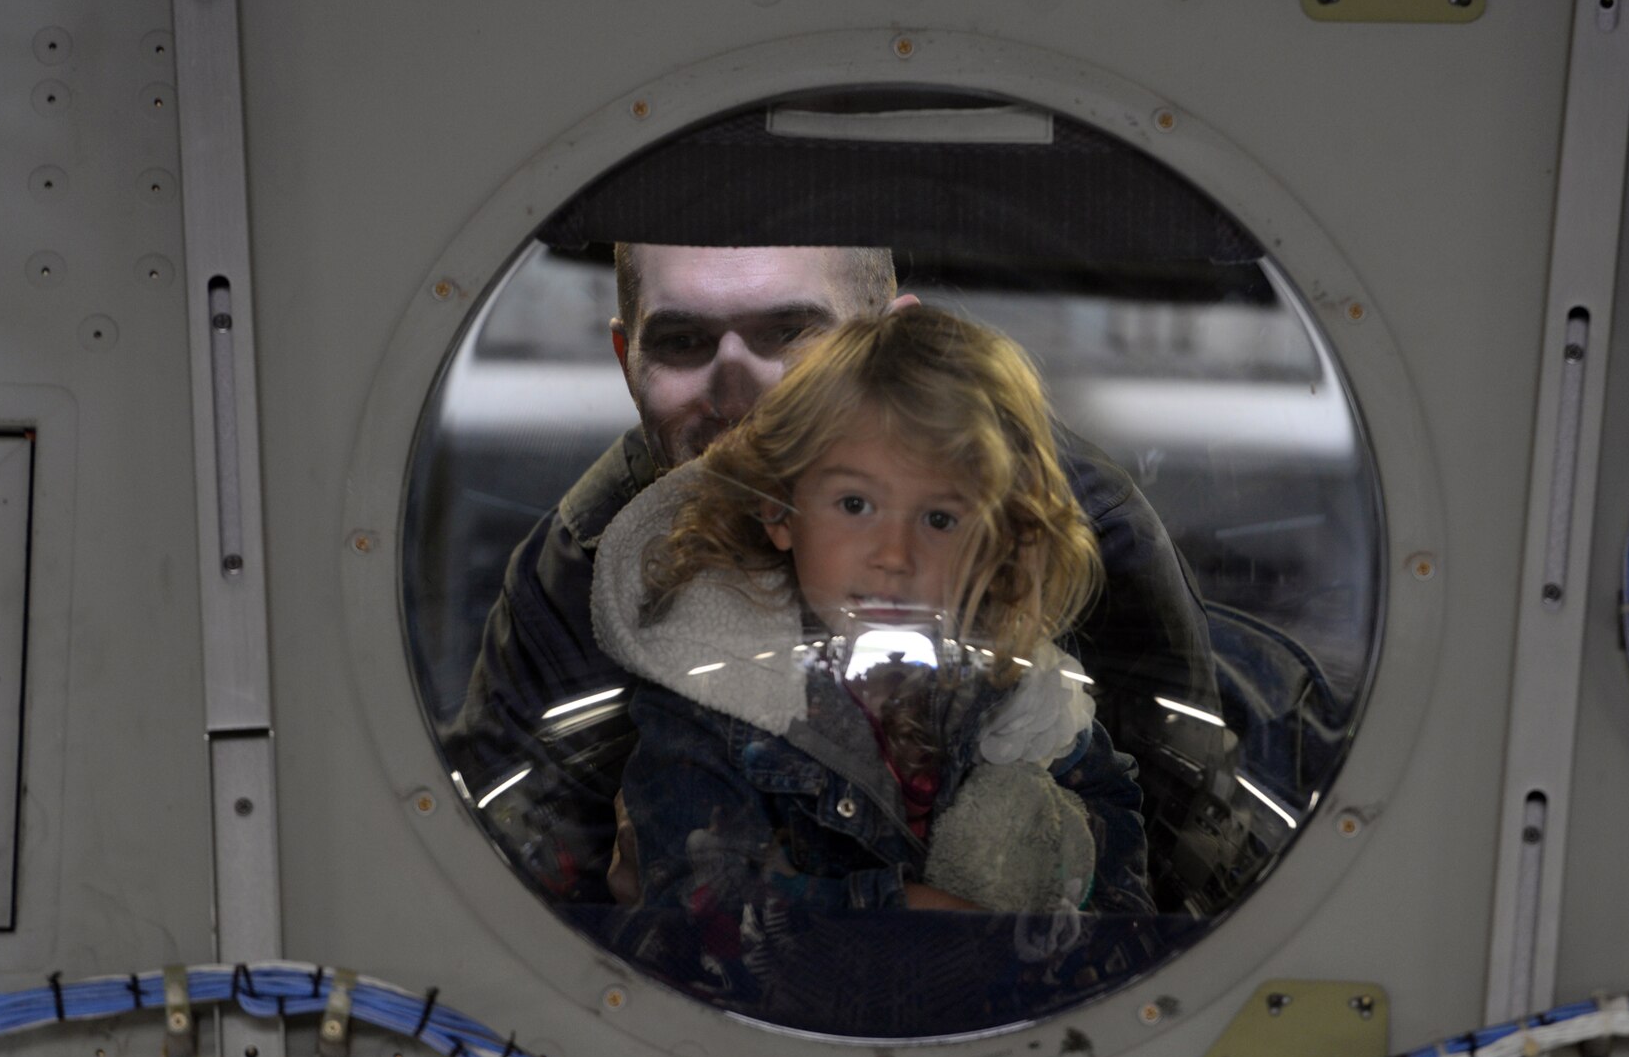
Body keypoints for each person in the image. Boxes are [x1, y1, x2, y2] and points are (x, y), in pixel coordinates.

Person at [441, 243, 1220, 909]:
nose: (734, 385)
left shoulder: (1065, 522)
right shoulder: (586, 567)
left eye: (790, 330)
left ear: (896, 343)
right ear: (626, 360)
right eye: (681, 340)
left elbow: (1176, 861)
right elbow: (508, 899)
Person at [591, 307, 1151, 928]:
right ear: (780, 510)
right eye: (855, 504)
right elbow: (700, 914)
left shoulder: (1027, 693)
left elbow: (1123, 889)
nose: (894, 556)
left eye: (940, 518)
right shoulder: (712, 698)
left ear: (998, 539)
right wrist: (912, 917)